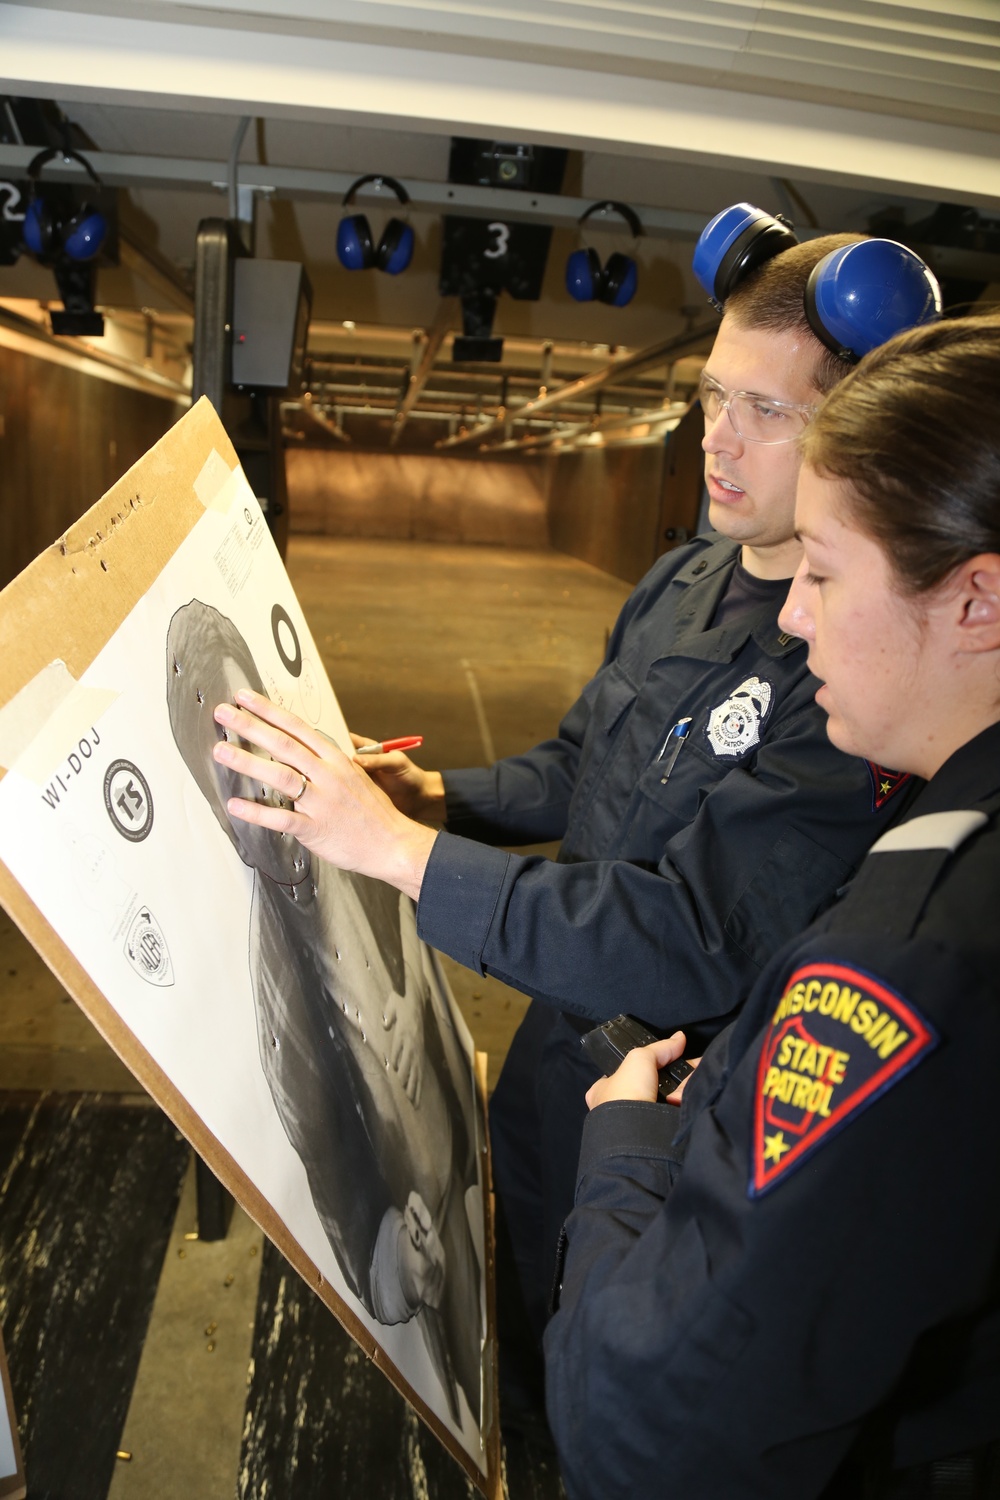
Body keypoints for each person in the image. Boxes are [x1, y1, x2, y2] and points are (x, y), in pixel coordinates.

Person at [208, 209, 942, 1421]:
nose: (719, 441)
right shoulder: (683, 575)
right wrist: (435, 795)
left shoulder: (851, 673)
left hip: (669, 1094)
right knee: (510, 1287)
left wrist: (397, 852)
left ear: (859, 427)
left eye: (769, 413)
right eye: (713, 398)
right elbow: (578, 763)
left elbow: (691, 935)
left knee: (601, 1371)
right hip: (556, 1035)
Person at [541, 312, 1000, 1497]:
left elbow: (643, 1426)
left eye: (827, 572)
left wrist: (630, 1148)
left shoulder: (911, 956)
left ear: (975, 603)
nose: (793, 616)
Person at [166, 600, 484, 1426]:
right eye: (225, 761)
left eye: (252, 734)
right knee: (462, 1394)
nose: (249, 771)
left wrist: (413, 1006)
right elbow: (330, 1183)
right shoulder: (269, 993)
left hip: (471, 1156)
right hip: (424, 1239)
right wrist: (389, 1263)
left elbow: (413, 947)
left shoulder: (354, 822)